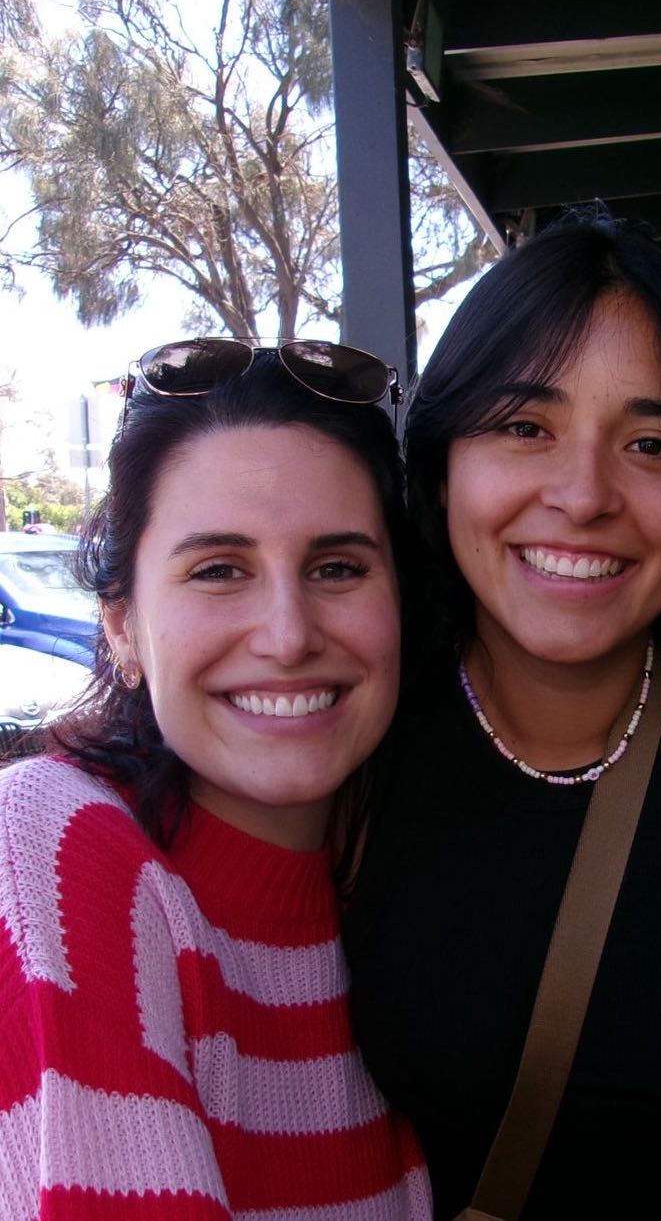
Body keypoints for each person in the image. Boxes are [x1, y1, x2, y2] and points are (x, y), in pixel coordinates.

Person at [343, 216, 661, 1219]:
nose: (583, 496)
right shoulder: (353, 723)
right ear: (443, 460)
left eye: (651, 443)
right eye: (525, 427)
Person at [0, 344, 431, 1217]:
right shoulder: (51, 842)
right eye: (219, 570)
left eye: (338, 568)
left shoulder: (421, 895)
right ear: (121, 628)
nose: (287, 634)